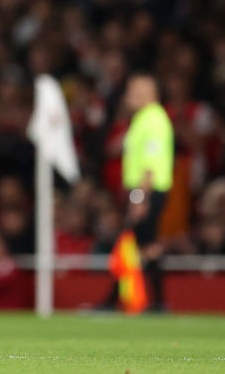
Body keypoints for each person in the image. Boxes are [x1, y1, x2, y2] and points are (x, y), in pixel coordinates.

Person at [98, 73, 174, 312]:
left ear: (148, 95)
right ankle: (157, 302)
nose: (128, 97)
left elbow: (150, 165)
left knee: (130, 245)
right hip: (145, 191)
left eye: (133, 92)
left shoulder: (153, 119)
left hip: (148, 192)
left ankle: (114, 301)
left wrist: (139, 198)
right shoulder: (144, 119)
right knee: (143, 246)